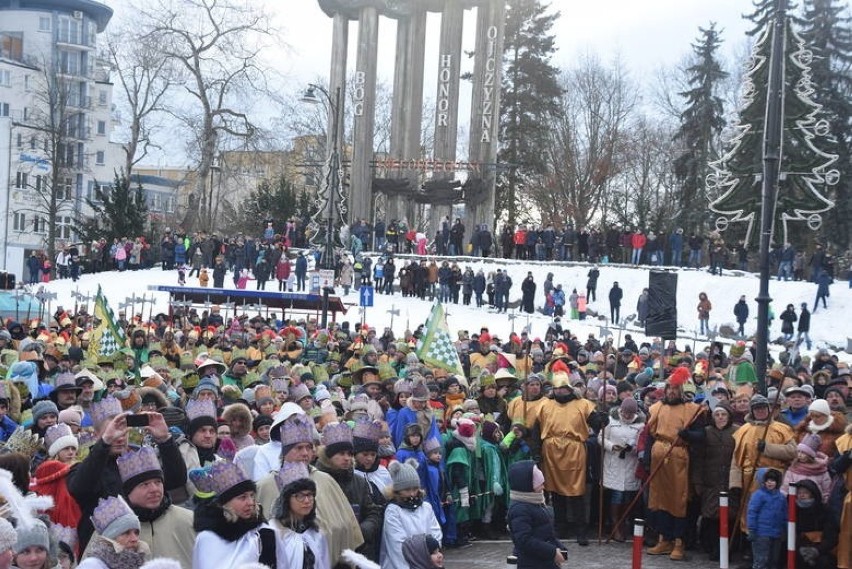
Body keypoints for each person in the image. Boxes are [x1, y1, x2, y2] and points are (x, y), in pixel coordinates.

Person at [533, 361, 607, 546]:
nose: (560, 392)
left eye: (564, 388)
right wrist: (536, 452)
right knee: (555, 492)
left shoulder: (583, 404)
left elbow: (596, 423)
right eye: (557, 389)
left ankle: (581, 530)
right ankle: (560, 526)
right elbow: (536, 431)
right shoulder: (545, 405)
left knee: (576, 492)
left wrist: (602, 419)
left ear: (569, 388)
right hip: (550, 451)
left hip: (574, 450)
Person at [645, 367, 704, 560]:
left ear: (681, 390)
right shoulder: (656, 408)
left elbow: (701, 435)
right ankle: (664, 539)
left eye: (675, 388)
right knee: (659, 498)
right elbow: (649, 436)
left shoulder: (692, 410)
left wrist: (687, 435)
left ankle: (679, 541)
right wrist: (647, 459)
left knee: (678, 500)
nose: (671, 391)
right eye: (669, 388)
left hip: (679, 456)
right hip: (658, 456)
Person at [191, 461, 277, 569]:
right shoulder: (208, 538)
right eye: (242, 497)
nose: (250, 502)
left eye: (252, 495)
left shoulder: (261, 531)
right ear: (225, 503)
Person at [380, 459, 442, 569]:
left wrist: (433, 554)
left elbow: (435, 532)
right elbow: (396, 545)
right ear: (398, 490)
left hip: (427, 563)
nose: (412, 494)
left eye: (415, 489)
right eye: (407, 490)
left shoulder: (426, 507)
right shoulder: (393, 510)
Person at [270, 461, 331, 569]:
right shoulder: (274, 532)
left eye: (310, 495)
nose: (307, 501)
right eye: (299, 496)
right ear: (286, 500)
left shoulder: (316, 532)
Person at [506, 460, 566, 569]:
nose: (543, 487)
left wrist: (559, 547)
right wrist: (552, 552)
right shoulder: (519, 509)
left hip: (544, 560)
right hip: (531, 563)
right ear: (526, 484)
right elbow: (524, 540)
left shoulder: (535, 502)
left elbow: (546, 533)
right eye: (539, 484)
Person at [602, 397, 644, 541]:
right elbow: (601, 438)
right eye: (625, 413)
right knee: (617, 496)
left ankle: (623, 522)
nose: (627, 416)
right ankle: (615, 525)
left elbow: (641, 443)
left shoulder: (640, 425)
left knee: (627, 497)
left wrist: (632, 448)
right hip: (614, 462)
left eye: (630, 414)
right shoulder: (611, 421)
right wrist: (612, 446)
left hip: (630, 464)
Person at [78, 495, 149, 569]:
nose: (134, 539)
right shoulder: (92, 566)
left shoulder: (144, 565)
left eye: (136, 533)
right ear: (110, 538)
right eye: (126, 533)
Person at [746, 468, 786, 569]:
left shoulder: (781, 497)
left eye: (772, 480)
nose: (770, 483)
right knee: (761, 560)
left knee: (774, 560)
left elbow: (785, 514)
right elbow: (752, 513)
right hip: (761, 533)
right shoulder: (758, 495)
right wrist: (751, 529)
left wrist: (785, 529)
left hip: (776, 533)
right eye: (767, 480)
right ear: (762, 482)